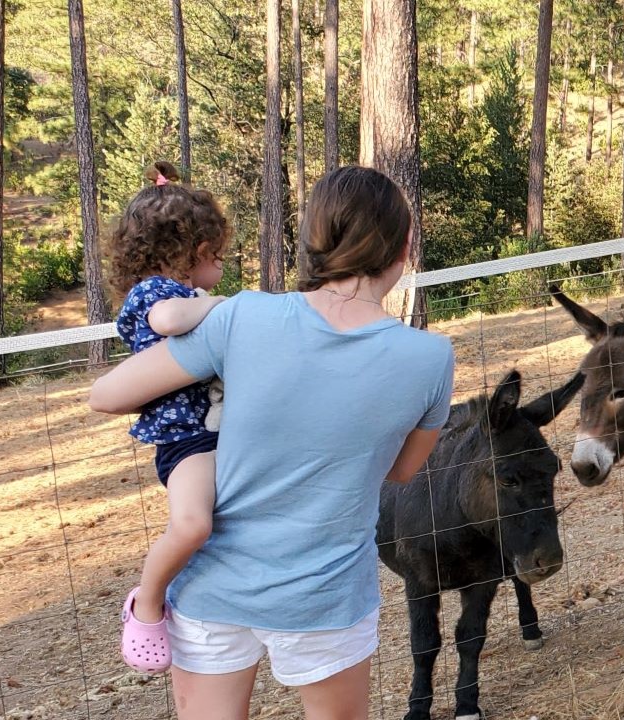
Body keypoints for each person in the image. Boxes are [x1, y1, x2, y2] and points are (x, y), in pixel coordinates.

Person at [90, 166, 456, 718]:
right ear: (404, 244)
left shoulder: (242, 316)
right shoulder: (431, 359)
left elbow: (109, 394)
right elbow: (402, 471)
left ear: (312, 240)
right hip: (325, 596)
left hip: (212, 589)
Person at [106, 162, 233, 675]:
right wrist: (218, 304)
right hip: (187, 441)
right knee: (192, 524)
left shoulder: (185, 295)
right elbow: (167, 322)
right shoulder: (159, 295)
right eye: (217, 253)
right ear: (189, 254)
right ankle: (148, 603)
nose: (223, 263)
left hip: (214, 431)